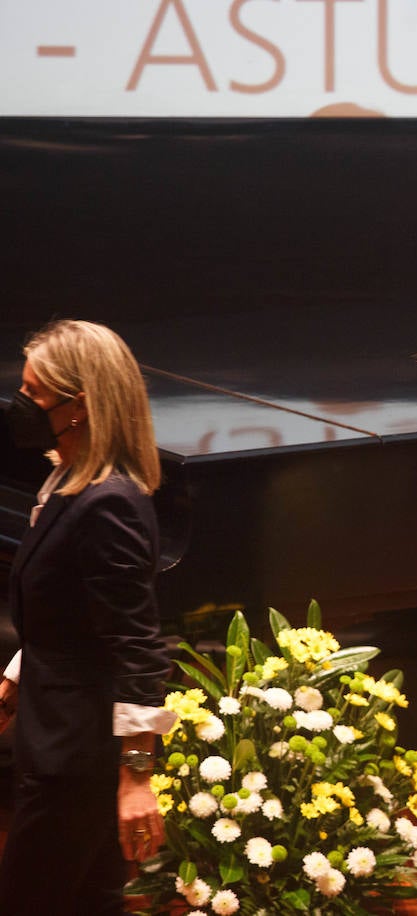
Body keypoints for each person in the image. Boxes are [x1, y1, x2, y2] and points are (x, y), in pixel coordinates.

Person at [0, 319, 175, 914]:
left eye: (35, 394)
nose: (21, 405)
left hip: (74, 758)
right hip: (56, 736)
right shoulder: (70, 482)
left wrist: (136, 778)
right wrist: (16, 677)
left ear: (81, 405)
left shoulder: (109, 506)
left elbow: (137, 645)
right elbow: (68, 610)